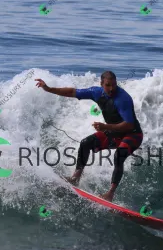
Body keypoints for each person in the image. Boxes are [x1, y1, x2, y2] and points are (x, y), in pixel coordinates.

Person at [35, 71, 143, 201]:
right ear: (101, 84)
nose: (111, 88)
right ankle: (75, 178)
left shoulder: (123, 99)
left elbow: (129, 125)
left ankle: (110, 194)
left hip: (133, 135)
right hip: (114, 133)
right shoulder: (96, 92)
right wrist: (48, 89)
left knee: (119, 156)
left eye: (114, 85)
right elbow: (72, 92)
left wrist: (106, 127)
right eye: (108, 85)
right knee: (85, 143)